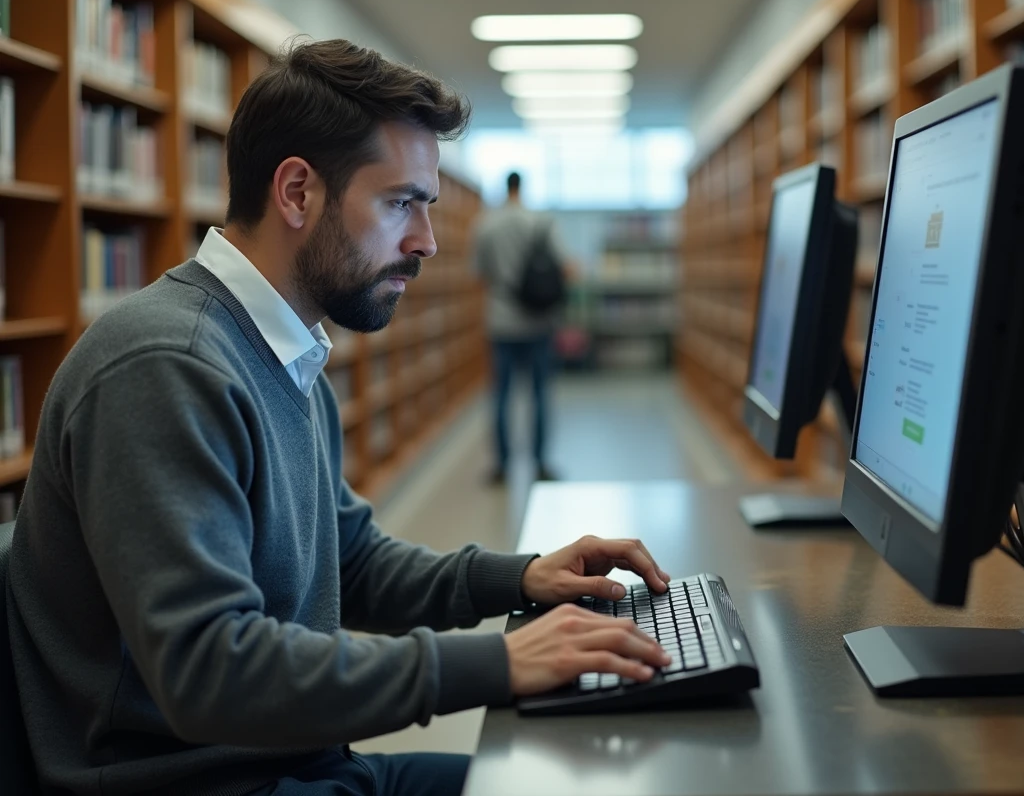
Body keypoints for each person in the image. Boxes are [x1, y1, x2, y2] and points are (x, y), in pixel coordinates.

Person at [6, 39, 669, 796]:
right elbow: (207, 667)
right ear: (297, 193)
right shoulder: (167, 367)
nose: (426, 241)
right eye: (400, 204)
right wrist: (500, 664)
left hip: (298, 764)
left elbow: (349, 563)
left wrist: (519, 578)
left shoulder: (287, 352)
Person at [472, 172, 571, 485]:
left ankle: (501, 466)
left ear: (504, 188)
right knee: (540, 393)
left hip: (501, 321)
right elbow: (563, 266)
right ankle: (540, 463)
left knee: (501, 395)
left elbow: (478, 274)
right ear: (522, 188)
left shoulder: (485, 224)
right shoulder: (541, 222)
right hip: (539, 322)